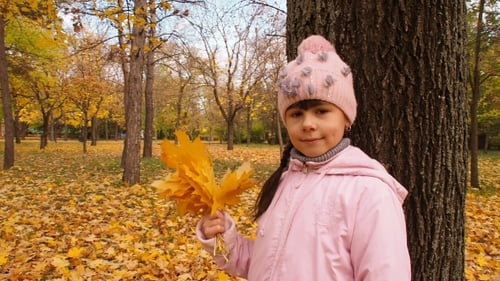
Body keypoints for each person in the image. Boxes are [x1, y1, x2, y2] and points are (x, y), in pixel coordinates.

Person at [196, 35, 411, 281]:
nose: (308, 124)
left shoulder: (369, 192)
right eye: (296, 114)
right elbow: (265, 266)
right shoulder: (286, 182)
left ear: (346, 118)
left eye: (321, 111)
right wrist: (223, 239)